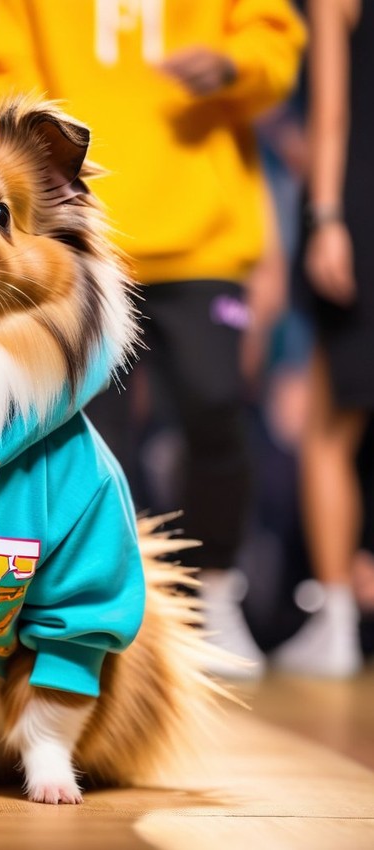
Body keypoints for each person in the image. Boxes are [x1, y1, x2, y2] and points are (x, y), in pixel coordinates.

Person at [0, 0, 306, 677]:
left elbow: (276, 46)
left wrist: (235, 66)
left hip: (205, 241)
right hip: (84, 236)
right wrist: (40, 158)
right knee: (91, 435)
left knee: (216, 410)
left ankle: (216, 592)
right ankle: (96, 602)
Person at [272, 0, 372, 677]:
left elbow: (330, 111)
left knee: (328, 431)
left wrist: (328, 214)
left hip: (359, 210)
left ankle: (336, 621)